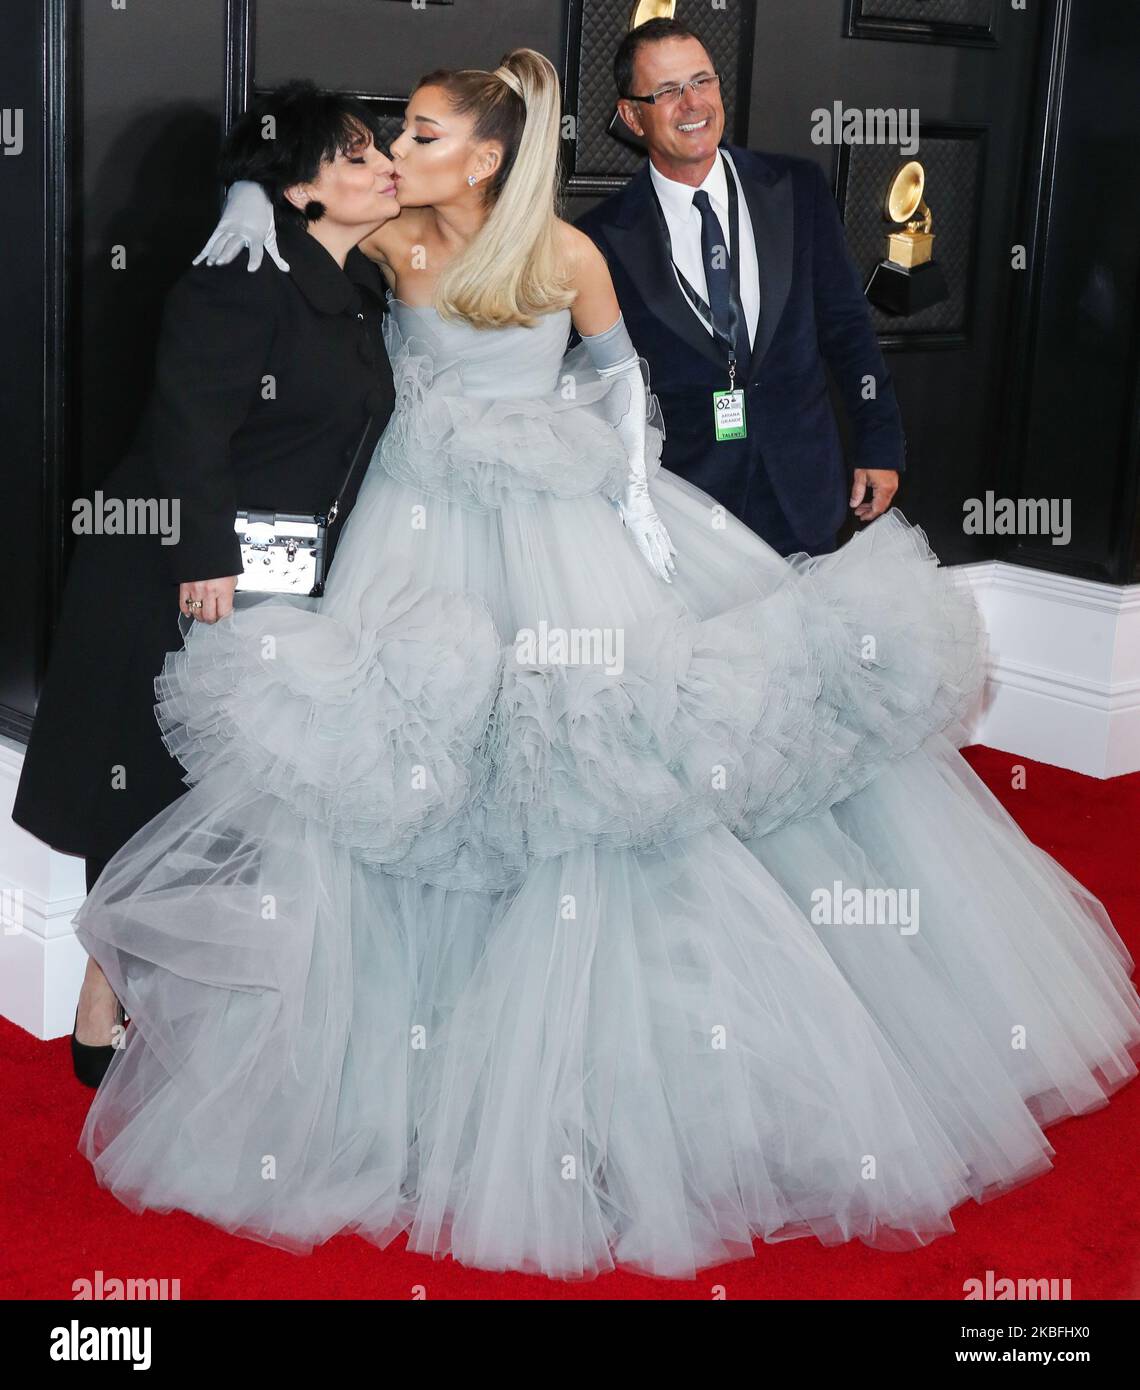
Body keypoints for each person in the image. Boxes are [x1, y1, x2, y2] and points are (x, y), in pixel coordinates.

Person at [71, 49, 1140, 1282]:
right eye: (392, 139)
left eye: (417, 137)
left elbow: (627, 410)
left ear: (485, 154)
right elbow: (294, 212)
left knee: (589, 775)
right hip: (414, 545)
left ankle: (613, 1083)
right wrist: (256, 198)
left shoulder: (571, 260)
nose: (392, 154)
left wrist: (648, 552)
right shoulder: (393, 239)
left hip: (565, 541)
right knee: (410, 770)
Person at [12, 81, 399, 1085]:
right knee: (145, 788)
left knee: (221, 801)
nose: (383, 163)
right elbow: (190, 423)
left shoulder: (352, 282)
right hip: (177, 577)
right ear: (302, 189)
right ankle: (105, 1000)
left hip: (279, 581)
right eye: (354, 155)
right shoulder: (244, 273)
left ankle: (175, 1001)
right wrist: (205, 559)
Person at [575, 17, 904, 557]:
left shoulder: (798, 189)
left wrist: (879, 440)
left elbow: (847, 326)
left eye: (702, 82)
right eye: (667, 91)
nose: (692, 104)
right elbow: (593, 386)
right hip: (686, 505)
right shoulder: (599, 240)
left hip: (804, 489)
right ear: (632, 115)